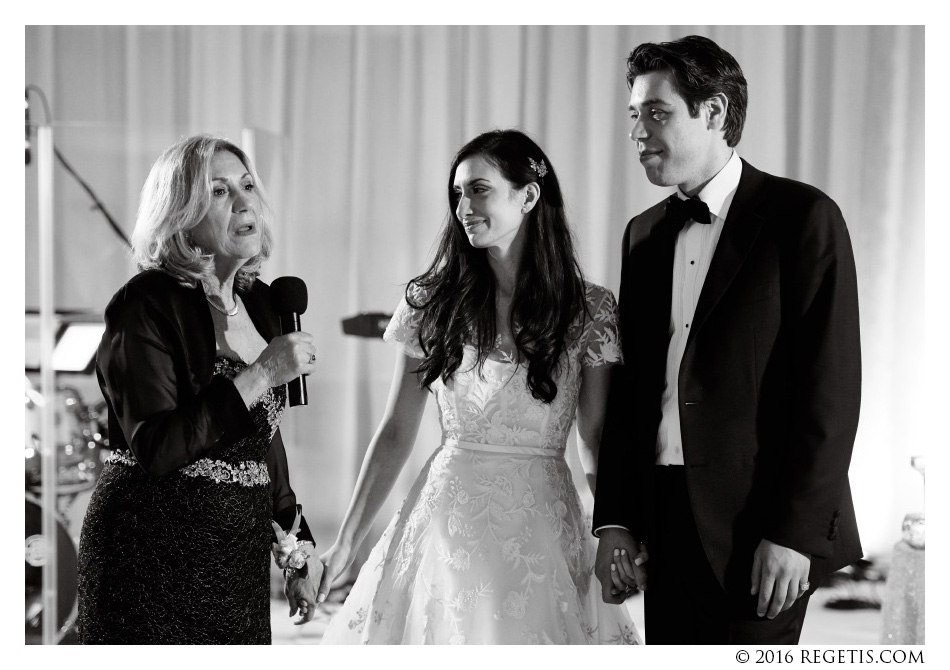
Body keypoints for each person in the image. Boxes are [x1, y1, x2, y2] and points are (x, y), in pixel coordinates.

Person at [318, 129, 641, 644]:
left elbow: (595, 439)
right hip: (445, 530)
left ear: (528, 196)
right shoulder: (432, 302)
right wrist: (346, 543)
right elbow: (397, 431)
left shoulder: (590, 310)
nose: (463, 206)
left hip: (544, 532)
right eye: (458, 193)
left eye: (479, 189)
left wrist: (615, 533)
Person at [592, 35, 863, 645]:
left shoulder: (803, 218)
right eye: (633, 115)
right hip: (661, 523)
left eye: (657, 113)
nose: (638, 131)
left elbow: (831, 391)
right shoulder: (644, 235)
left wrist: (793, 532)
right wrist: (614, 520)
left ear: (713, 113)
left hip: (759, 527)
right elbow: (633, 390)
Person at [77, 134, 322, 644]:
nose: (243, 200)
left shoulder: (262, 306)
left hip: (233, 567)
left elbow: (264, 440)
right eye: (217, 191)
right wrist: (260, 375)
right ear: (181, 215)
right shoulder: (144, 305)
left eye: (247, 184)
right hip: (149, 559)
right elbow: (157, 447)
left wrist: (298, 546)